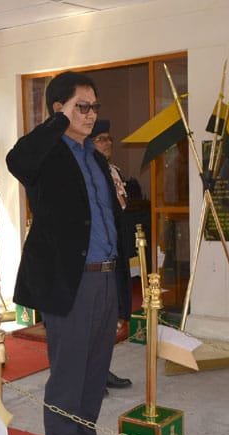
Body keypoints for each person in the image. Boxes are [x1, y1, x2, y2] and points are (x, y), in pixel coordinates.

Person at [6, 72, 129, 435]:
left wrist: (122, 290)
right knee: (68, 376)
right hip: (71, 283)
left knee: (94, 376)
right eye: (82, 107)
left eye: (94, 107)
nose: (91, 115)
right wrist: (58, 122)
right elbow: (17, 160)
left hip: (105, 277)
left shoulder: (94, 157)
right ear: (59, 110)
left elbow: (111, 220)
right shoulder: (46, 155)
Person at [89, 119, 133, 390]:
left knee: (111, 315)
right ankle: (92, 376)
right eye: (101, 139)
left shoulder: (113, 171)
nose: (107, 143)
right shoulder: (88, 173)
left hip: (115, 251)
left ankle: (103, 370)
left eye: (109, 138)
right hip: (97, 256)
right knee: (94, 319)